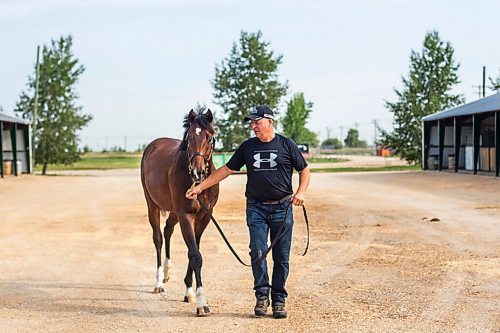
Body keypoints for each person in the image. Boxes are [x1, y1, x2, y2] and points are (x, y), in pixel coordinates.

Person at [186, 105, 310, 319]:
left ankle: (279, 300)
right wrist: (200, 187)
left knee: (281, 257)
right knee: (257, 252)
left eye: (257, 122)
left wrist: (301, 192)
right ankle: (262, 296)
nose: (253, 126)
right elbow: (226, 170)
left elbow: (304, 170)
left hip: (283, 207)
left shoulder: (286, 144)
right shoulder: (248, 147)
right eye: (251, 123)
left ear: (269, 122)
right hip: (256, 208)